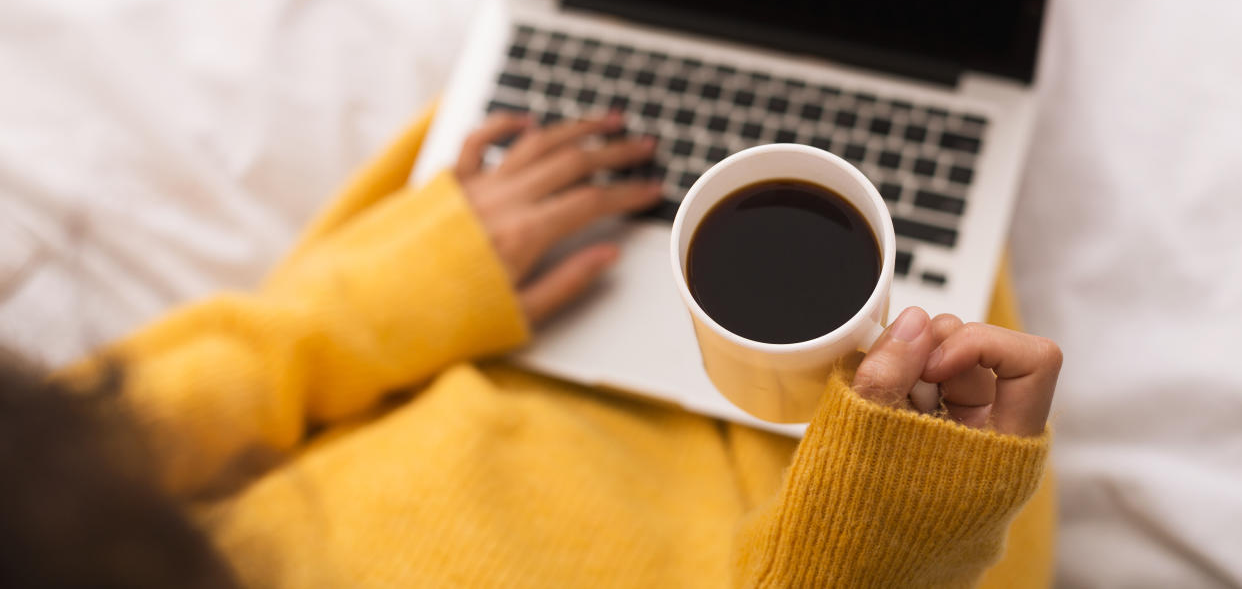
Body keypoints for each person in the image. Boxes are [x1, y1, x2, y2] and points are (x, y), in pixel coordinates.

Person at [0, 108, 1061, 588]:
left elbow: (102, 444)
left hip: (511, 312)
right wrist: (871, 551)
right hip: (843, 479)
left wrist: (379, 301)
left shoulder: (54, 518)